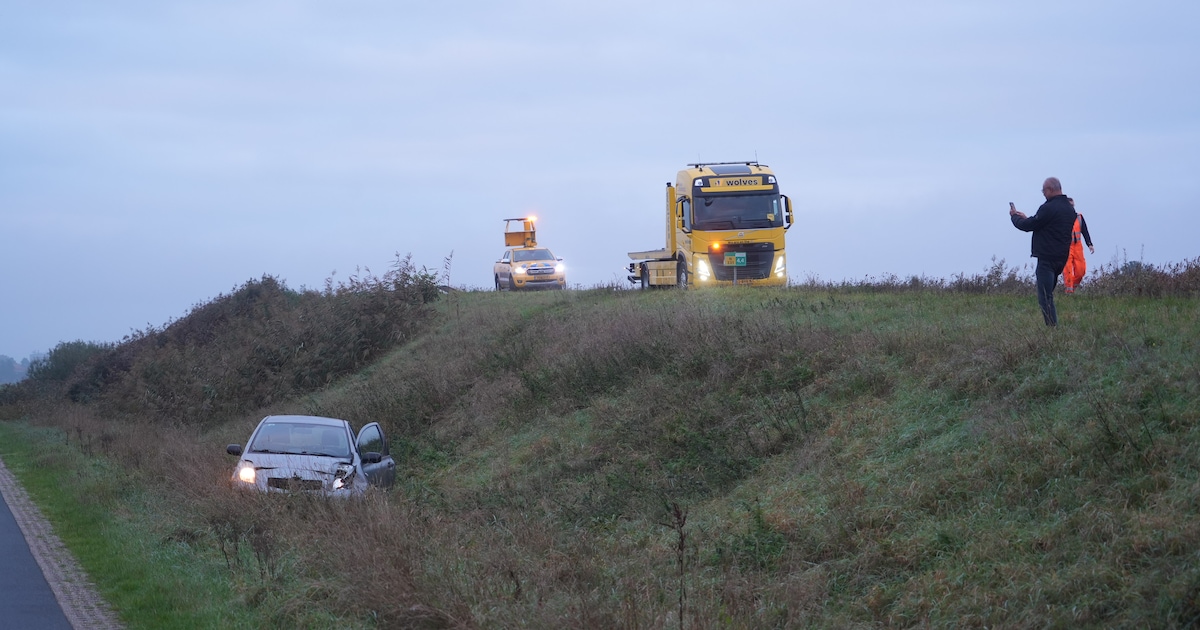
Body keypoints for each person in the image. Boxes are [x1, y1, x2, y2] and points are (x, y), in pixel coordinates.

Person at [1009, 177, 1076, 326]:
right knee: (1048, 295)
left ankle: (1053, 332)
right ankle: (1052, 329)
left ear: (1050, 189)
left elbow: (1028, 226)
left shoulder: (1048, 207)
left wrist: (1014, 217)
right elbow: (1046, 225)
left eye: (1043, 191)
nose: (1043, 194)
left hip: (1047, 259)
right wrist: (1029, 219)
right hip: (1061, 259)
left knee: (1045, 298)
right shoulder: (1069, 209)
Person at [1062, 197, 1094, 293]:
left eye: (1073, 206)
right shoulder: (1061, 218)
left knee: (1081, 271)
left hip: (1078, 247)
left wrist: (1090, 244)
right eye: (1070, 206)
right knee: (1067, 270)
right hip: (1066, 247)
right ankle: (1069, 292)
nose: (1072, 207)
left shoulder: (1079, 217)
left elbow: (1085, 231)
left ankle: (1072, 288)